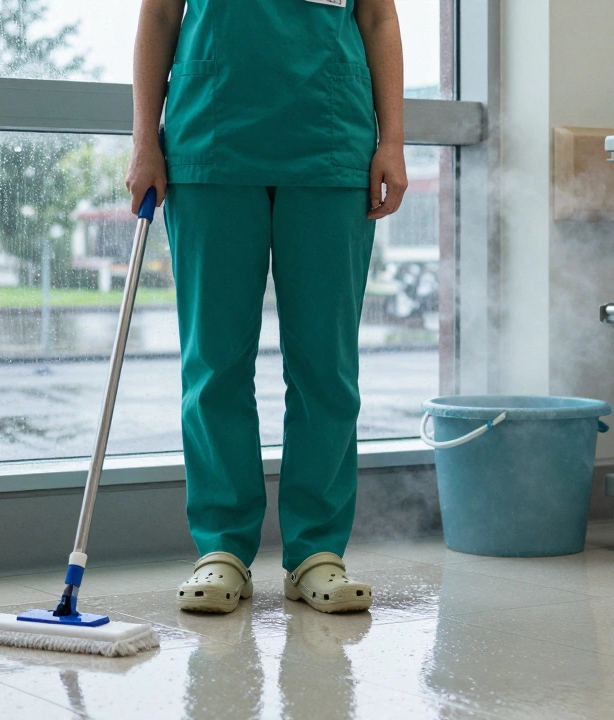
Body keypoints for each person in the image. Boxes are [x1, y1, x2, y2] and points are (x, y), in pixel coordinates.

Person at [127, 0, 406, 614]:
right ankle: (222, 548)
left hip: (330, 139)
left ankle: (317, 551)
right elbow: (160, 15)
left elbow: (379, 19)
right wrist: (145, 139)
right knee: (214, 363)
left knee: (326, 367)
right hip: (212, 137)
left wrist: (393, 141)